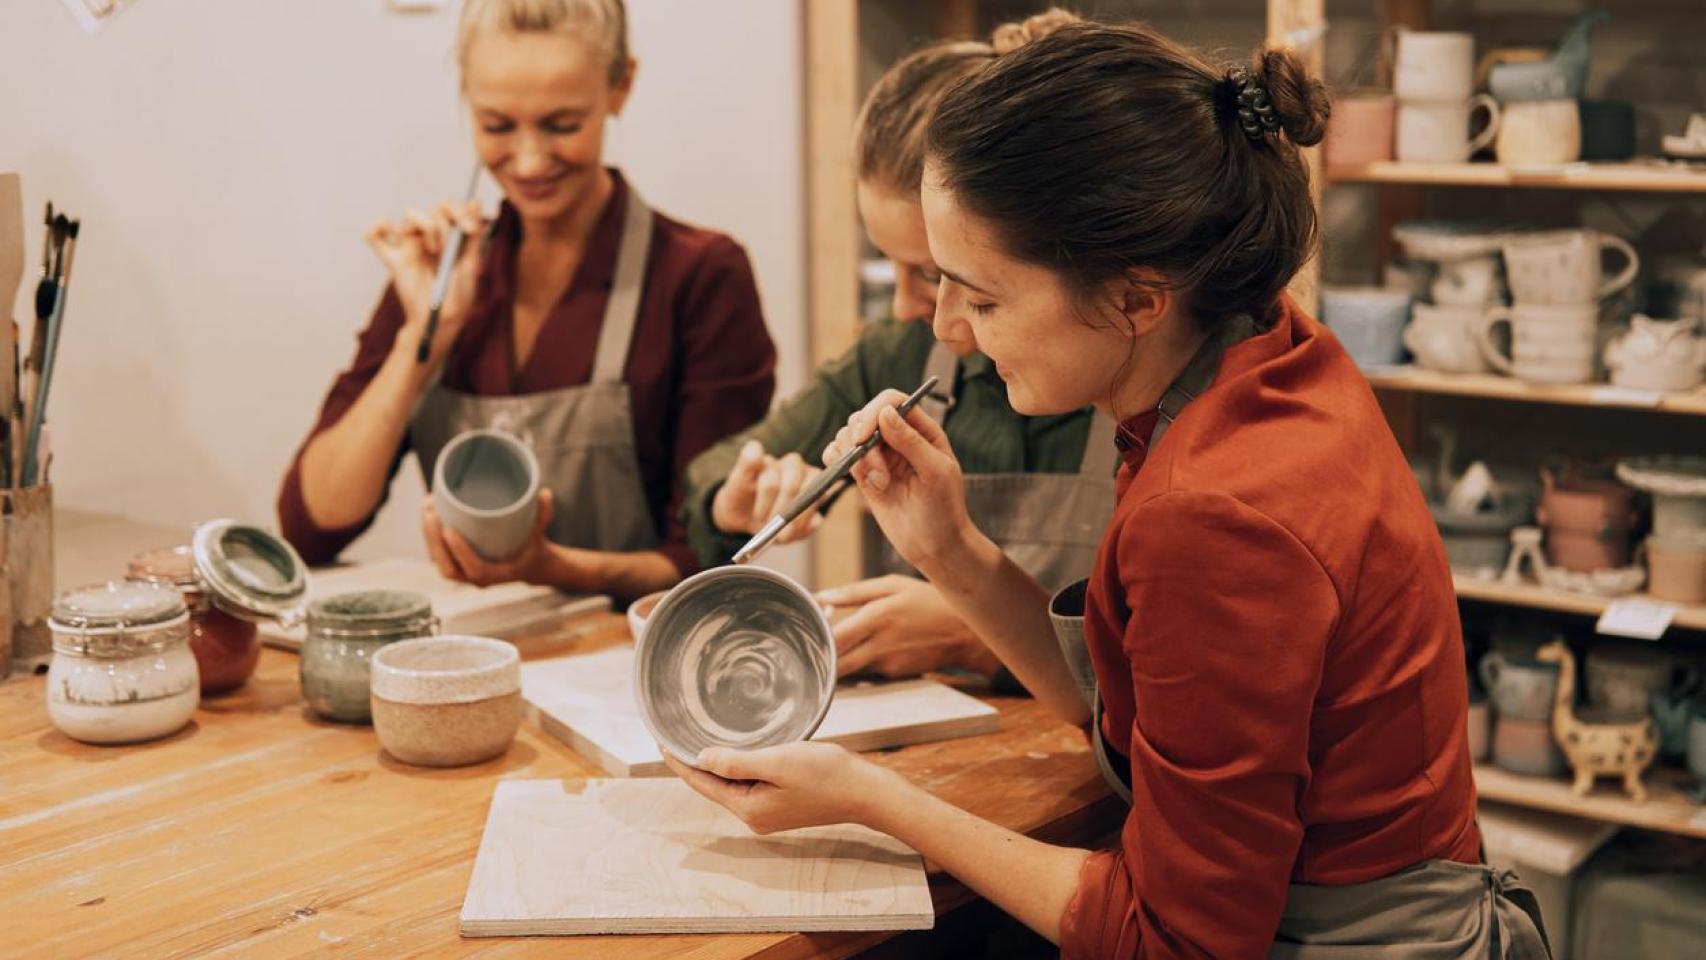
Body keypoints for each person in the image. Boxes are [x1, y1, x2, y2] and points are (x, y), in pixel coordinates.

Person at [668, 17, 1551, 959]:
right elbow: (1125, 715)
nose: (949, 329)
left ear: (1136, 299)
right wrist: (949, 549)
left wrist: (875, 800)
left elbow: (1175, 938)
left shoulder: (1215, 511)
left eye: (980, 293)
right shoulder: (1262, 349)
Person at [278, 0, 775, 602]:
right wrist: (424, 339)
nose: (531, 159)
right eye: (497, 126)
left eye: (562, 124)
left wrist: (545, 566)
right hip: (475, 656)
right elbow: (313, 526)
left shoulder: (698, 276)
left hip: (632, 662)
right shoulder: (447, 274)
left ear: (621, 87)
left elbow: (708, 558)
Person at [680, 10, 1113, 681]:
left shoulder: (1124, 383)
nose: (923, 312)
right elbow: (716, 473)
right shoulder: (898, 356)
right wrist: (739, 496)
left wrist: (976, 630)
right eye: (889, 266)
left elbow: (1166, 687)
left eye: (942, 275)